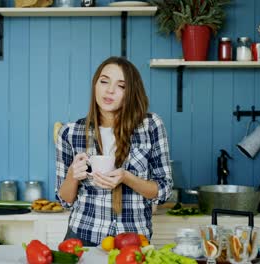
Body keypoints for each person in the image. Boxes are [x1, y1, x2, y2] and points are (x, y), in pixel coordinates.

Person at [55, 56, 173, 246]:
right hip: (82, 236)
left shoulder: (151, 126)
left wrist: (126, 177)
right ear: (95, 85)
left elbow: (164, 190)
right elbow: (65, 200)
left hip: (133, 239)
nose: (109, 90)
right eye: (104, 81)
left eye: (121, 86)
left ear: (131, 92)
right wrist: (72, 175)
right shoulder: (70, 132)